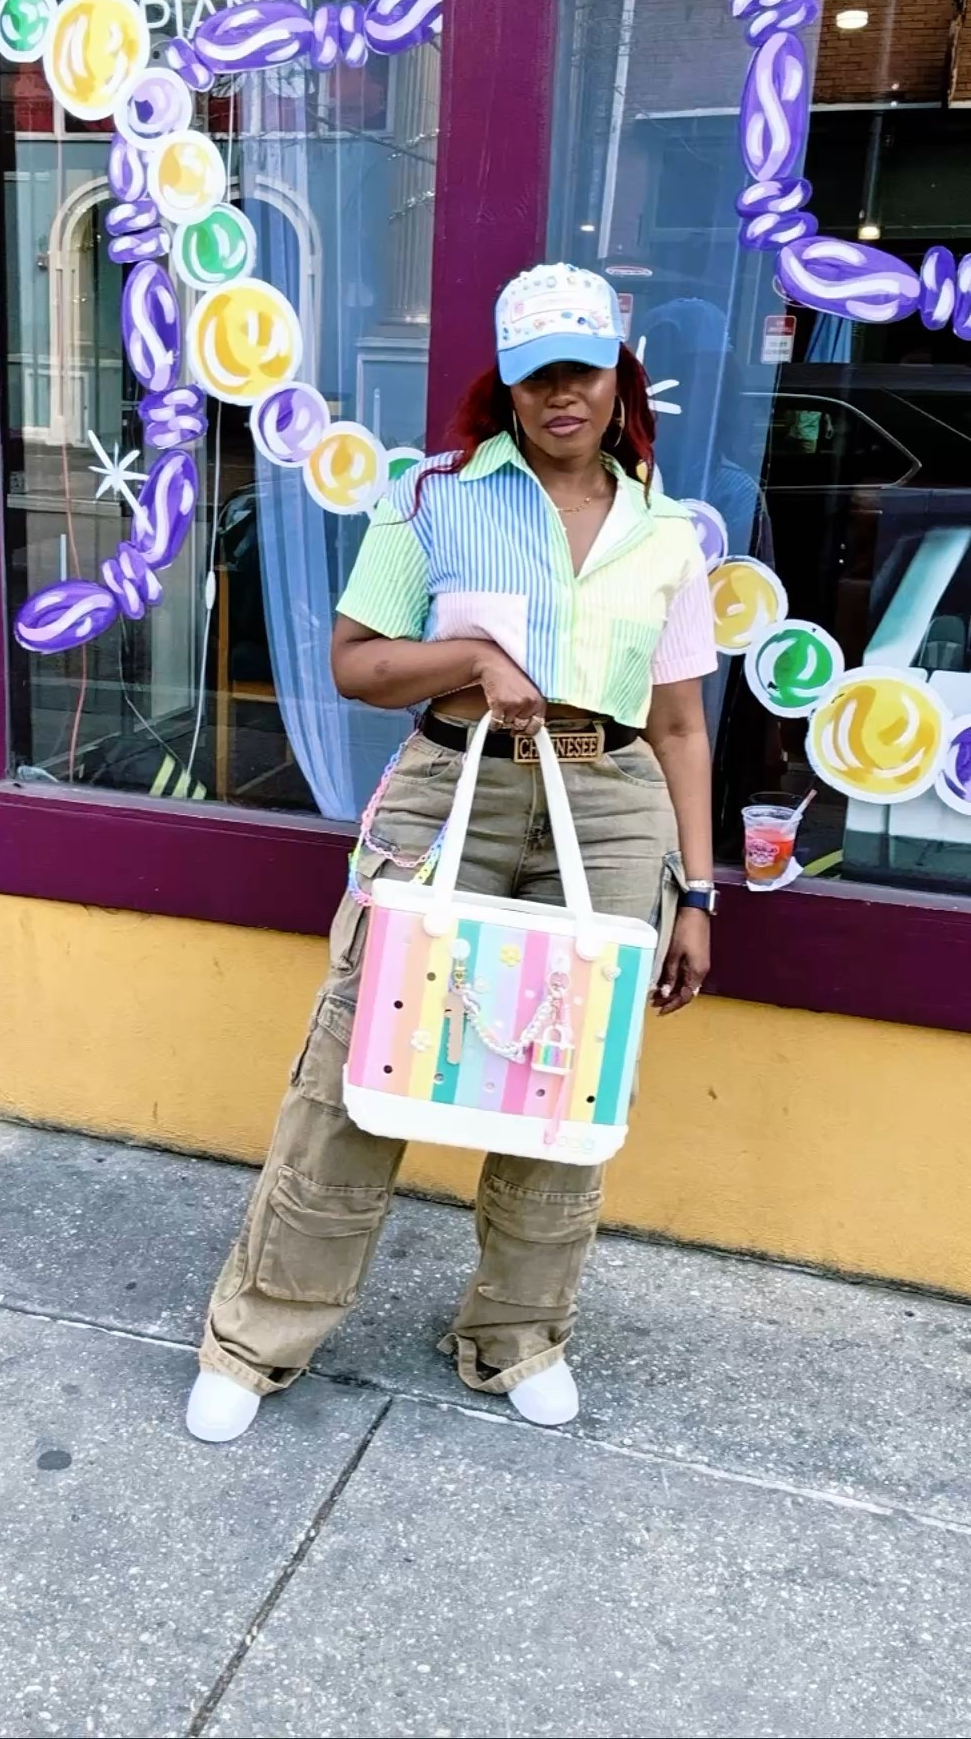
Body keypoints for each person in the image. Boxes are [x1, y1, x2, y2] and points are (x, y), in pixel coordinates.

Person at [187, 262, 718, 1441]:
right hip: (454, 789)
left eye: (583, 369)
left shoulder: (668, 533)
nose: (562, 396)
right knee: (361, 1067)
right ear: (509, 386)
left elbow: (680, 724)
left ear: (619, 374)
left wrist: (700, 890)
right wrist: (472, 661)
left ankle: (514, 1333)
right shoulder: (433, 498)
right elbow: (356, 662)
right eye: (538, 377)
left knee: (563, 1083)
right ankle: (258, 1334)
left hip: (615, 802)